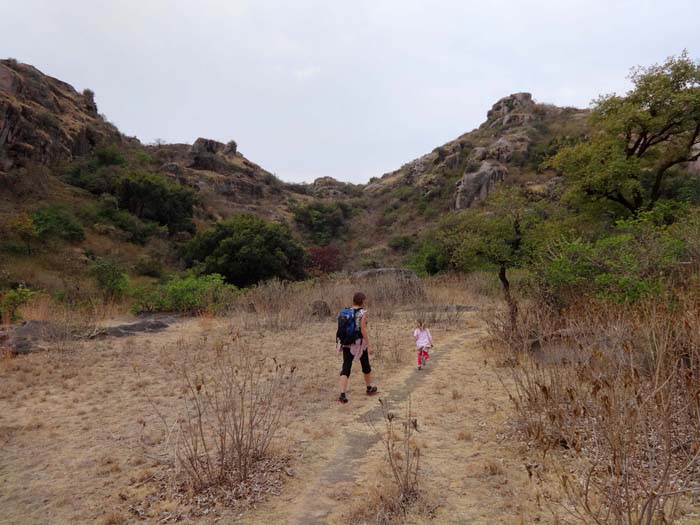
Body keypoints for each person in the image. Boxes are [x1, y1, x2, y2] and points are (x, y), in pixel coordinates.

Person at [338, 292, 378, 404]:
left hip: (346, 343)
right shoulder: (363, 313)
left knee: (346, 367)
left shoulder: (346, 311)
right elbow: (363, 329)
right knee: (365, 365)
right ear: (362, 301)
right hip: (359, 343)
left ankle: (342, 394)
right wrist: (369, 344)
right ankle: (369, 388)